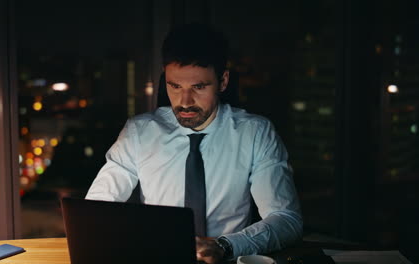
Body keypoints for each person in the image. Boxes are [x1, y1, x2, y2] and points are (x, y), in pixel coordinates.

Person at [86, 23, 302, 263]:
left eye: (199, 87)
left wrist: (226, 246)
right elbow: (97, 210)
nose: (185, 101)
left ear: (223, 81)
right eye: (174, 86)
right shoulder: (139, 132)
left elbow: (286, 219)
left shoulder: (255, 133)